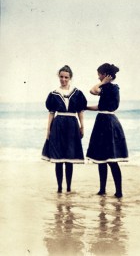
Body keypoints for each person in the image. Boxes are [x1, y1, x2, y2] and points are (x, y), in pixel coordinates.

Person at [42, 65, 87, 193]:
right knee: (58, 159)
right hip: (58, 125)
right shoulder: (53, 93)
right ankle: (59, 188)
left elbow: (80, 111)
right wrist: (48, 130)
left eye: (66, 77)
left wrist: (82, 126)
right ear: (59, 77)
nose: (63, 79)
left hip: (72, 125)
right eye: (61, 77)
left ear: (70, 78)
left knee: (69, 158)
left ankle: (68, 188)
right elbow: (51, 113)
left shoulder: (77, 93)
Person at [86, 63, 128, 198]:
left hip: (108, 123)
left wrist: (103, 82)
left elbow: (92, 90)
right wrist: (86, 108)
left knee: (111, 159)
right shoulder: (106, 88)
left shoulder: (112, 88)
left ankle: (119, 191)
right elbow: (100, 106)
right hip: (102, 121)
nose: (98, 77)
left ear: (105, 75)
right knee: (101, 159)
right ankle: (102, 190)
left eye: (99, 74)